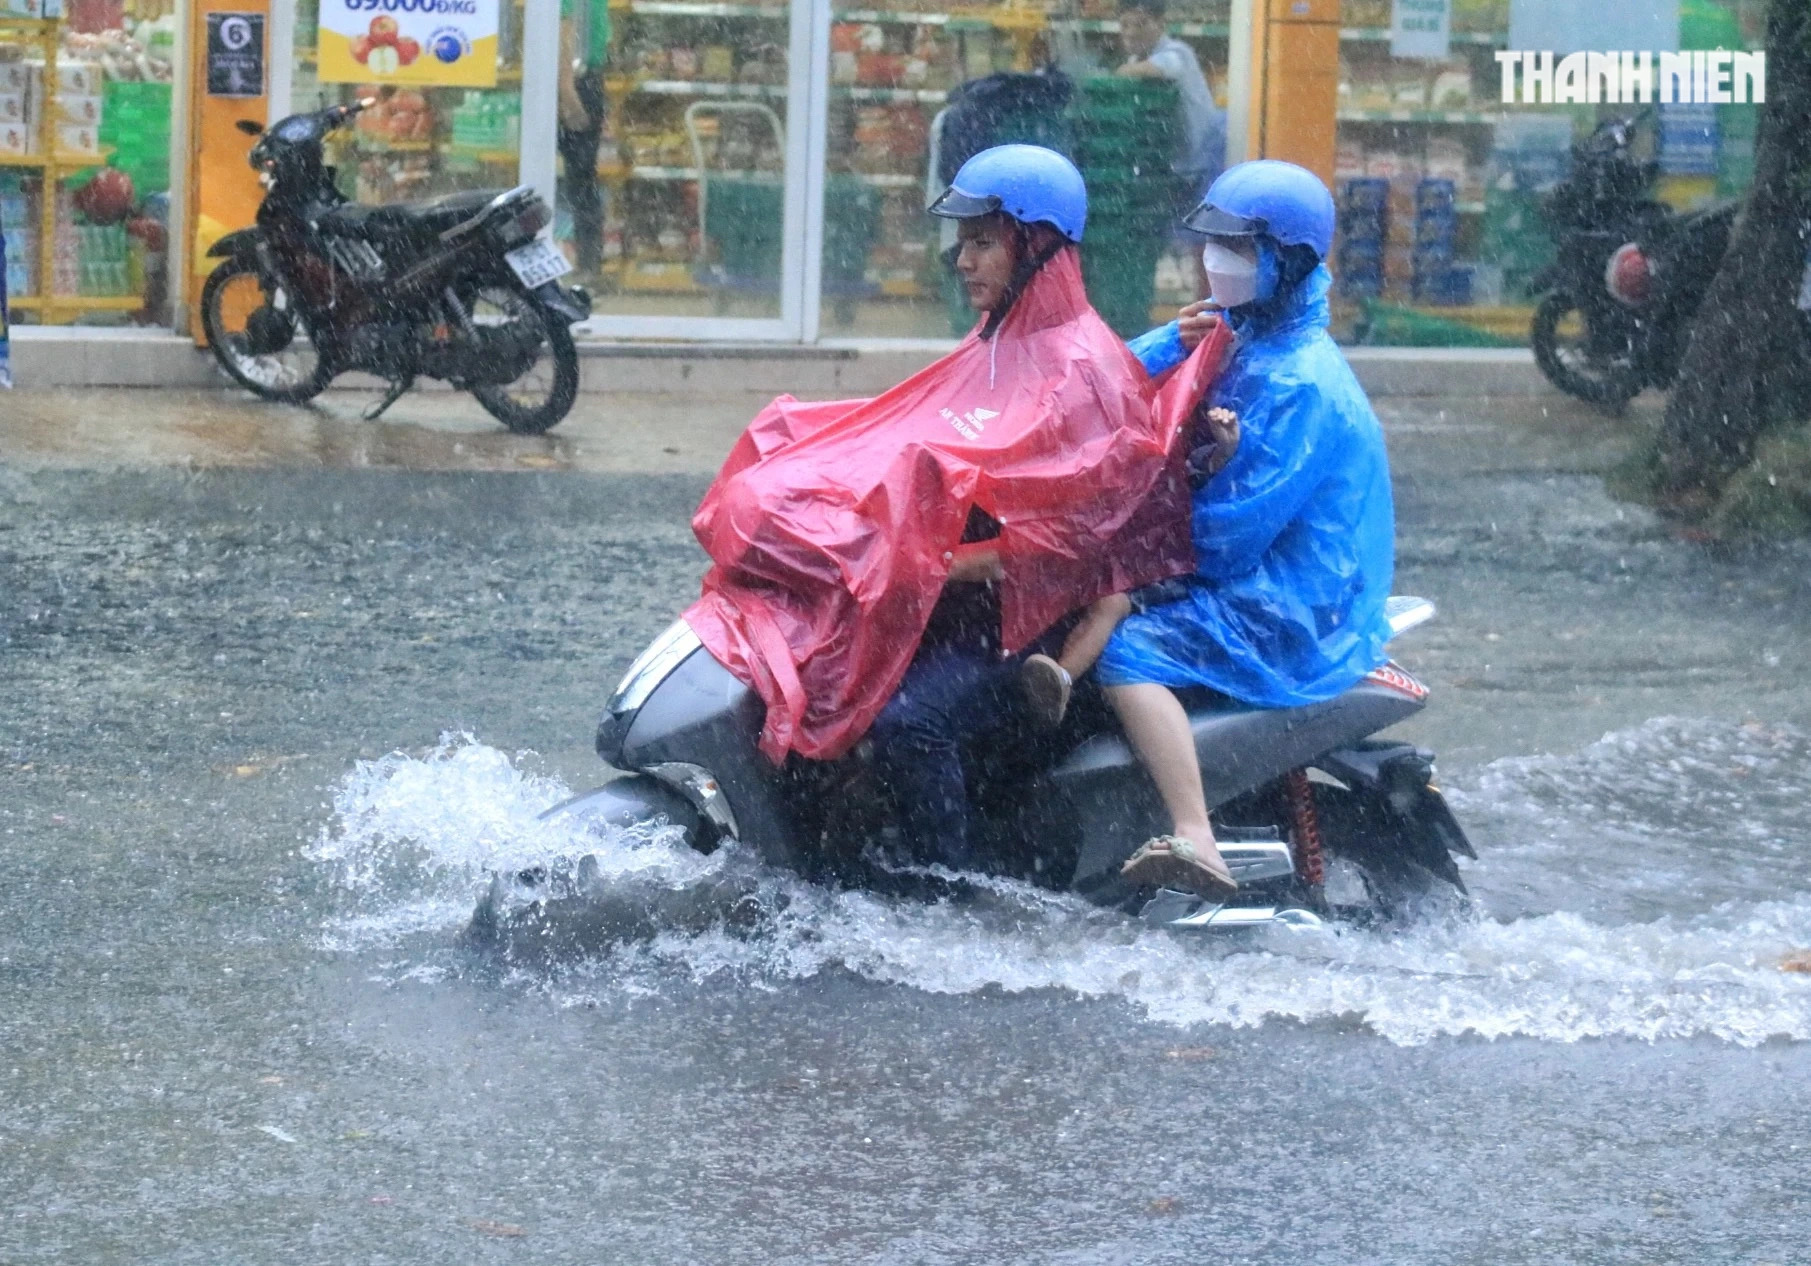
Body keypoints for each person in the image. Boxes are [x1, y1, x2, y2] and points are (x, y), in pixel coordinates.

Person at [1045, 159, 1396, 898]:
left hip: (1287, 598)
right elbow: (1107, 386)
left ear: (1287, 260)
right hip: (1237, 565)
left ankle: (1194, 833)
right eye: (1213, 245)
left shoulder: (1300, 380)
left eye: (1238, 249)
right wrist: (1166, 342)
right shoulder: (1236, 330)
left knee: (1128, 648)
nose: (1217, 262)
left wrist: (1122, 562)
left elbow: (1229, 538)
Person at [1116, 0, 1226, 225]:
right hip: (1175, 165)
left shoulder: (1177, 52)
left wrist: (1120, 72)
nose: (1131, 32)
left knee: (1197, 234)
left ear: (1160, 23)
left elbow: (1164, 67)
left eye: (1140, 24)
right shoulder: (1137, 59)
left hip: (1202, 162)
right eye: (1125, 25)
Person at [558, 0, 610, 278]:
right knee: (581, 179)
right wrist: (568, 93)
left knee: (582, 179)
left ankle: (589, 264)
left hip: (585, 81)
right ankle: (588, 266)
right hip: (577, 84)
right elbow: (562, 35)